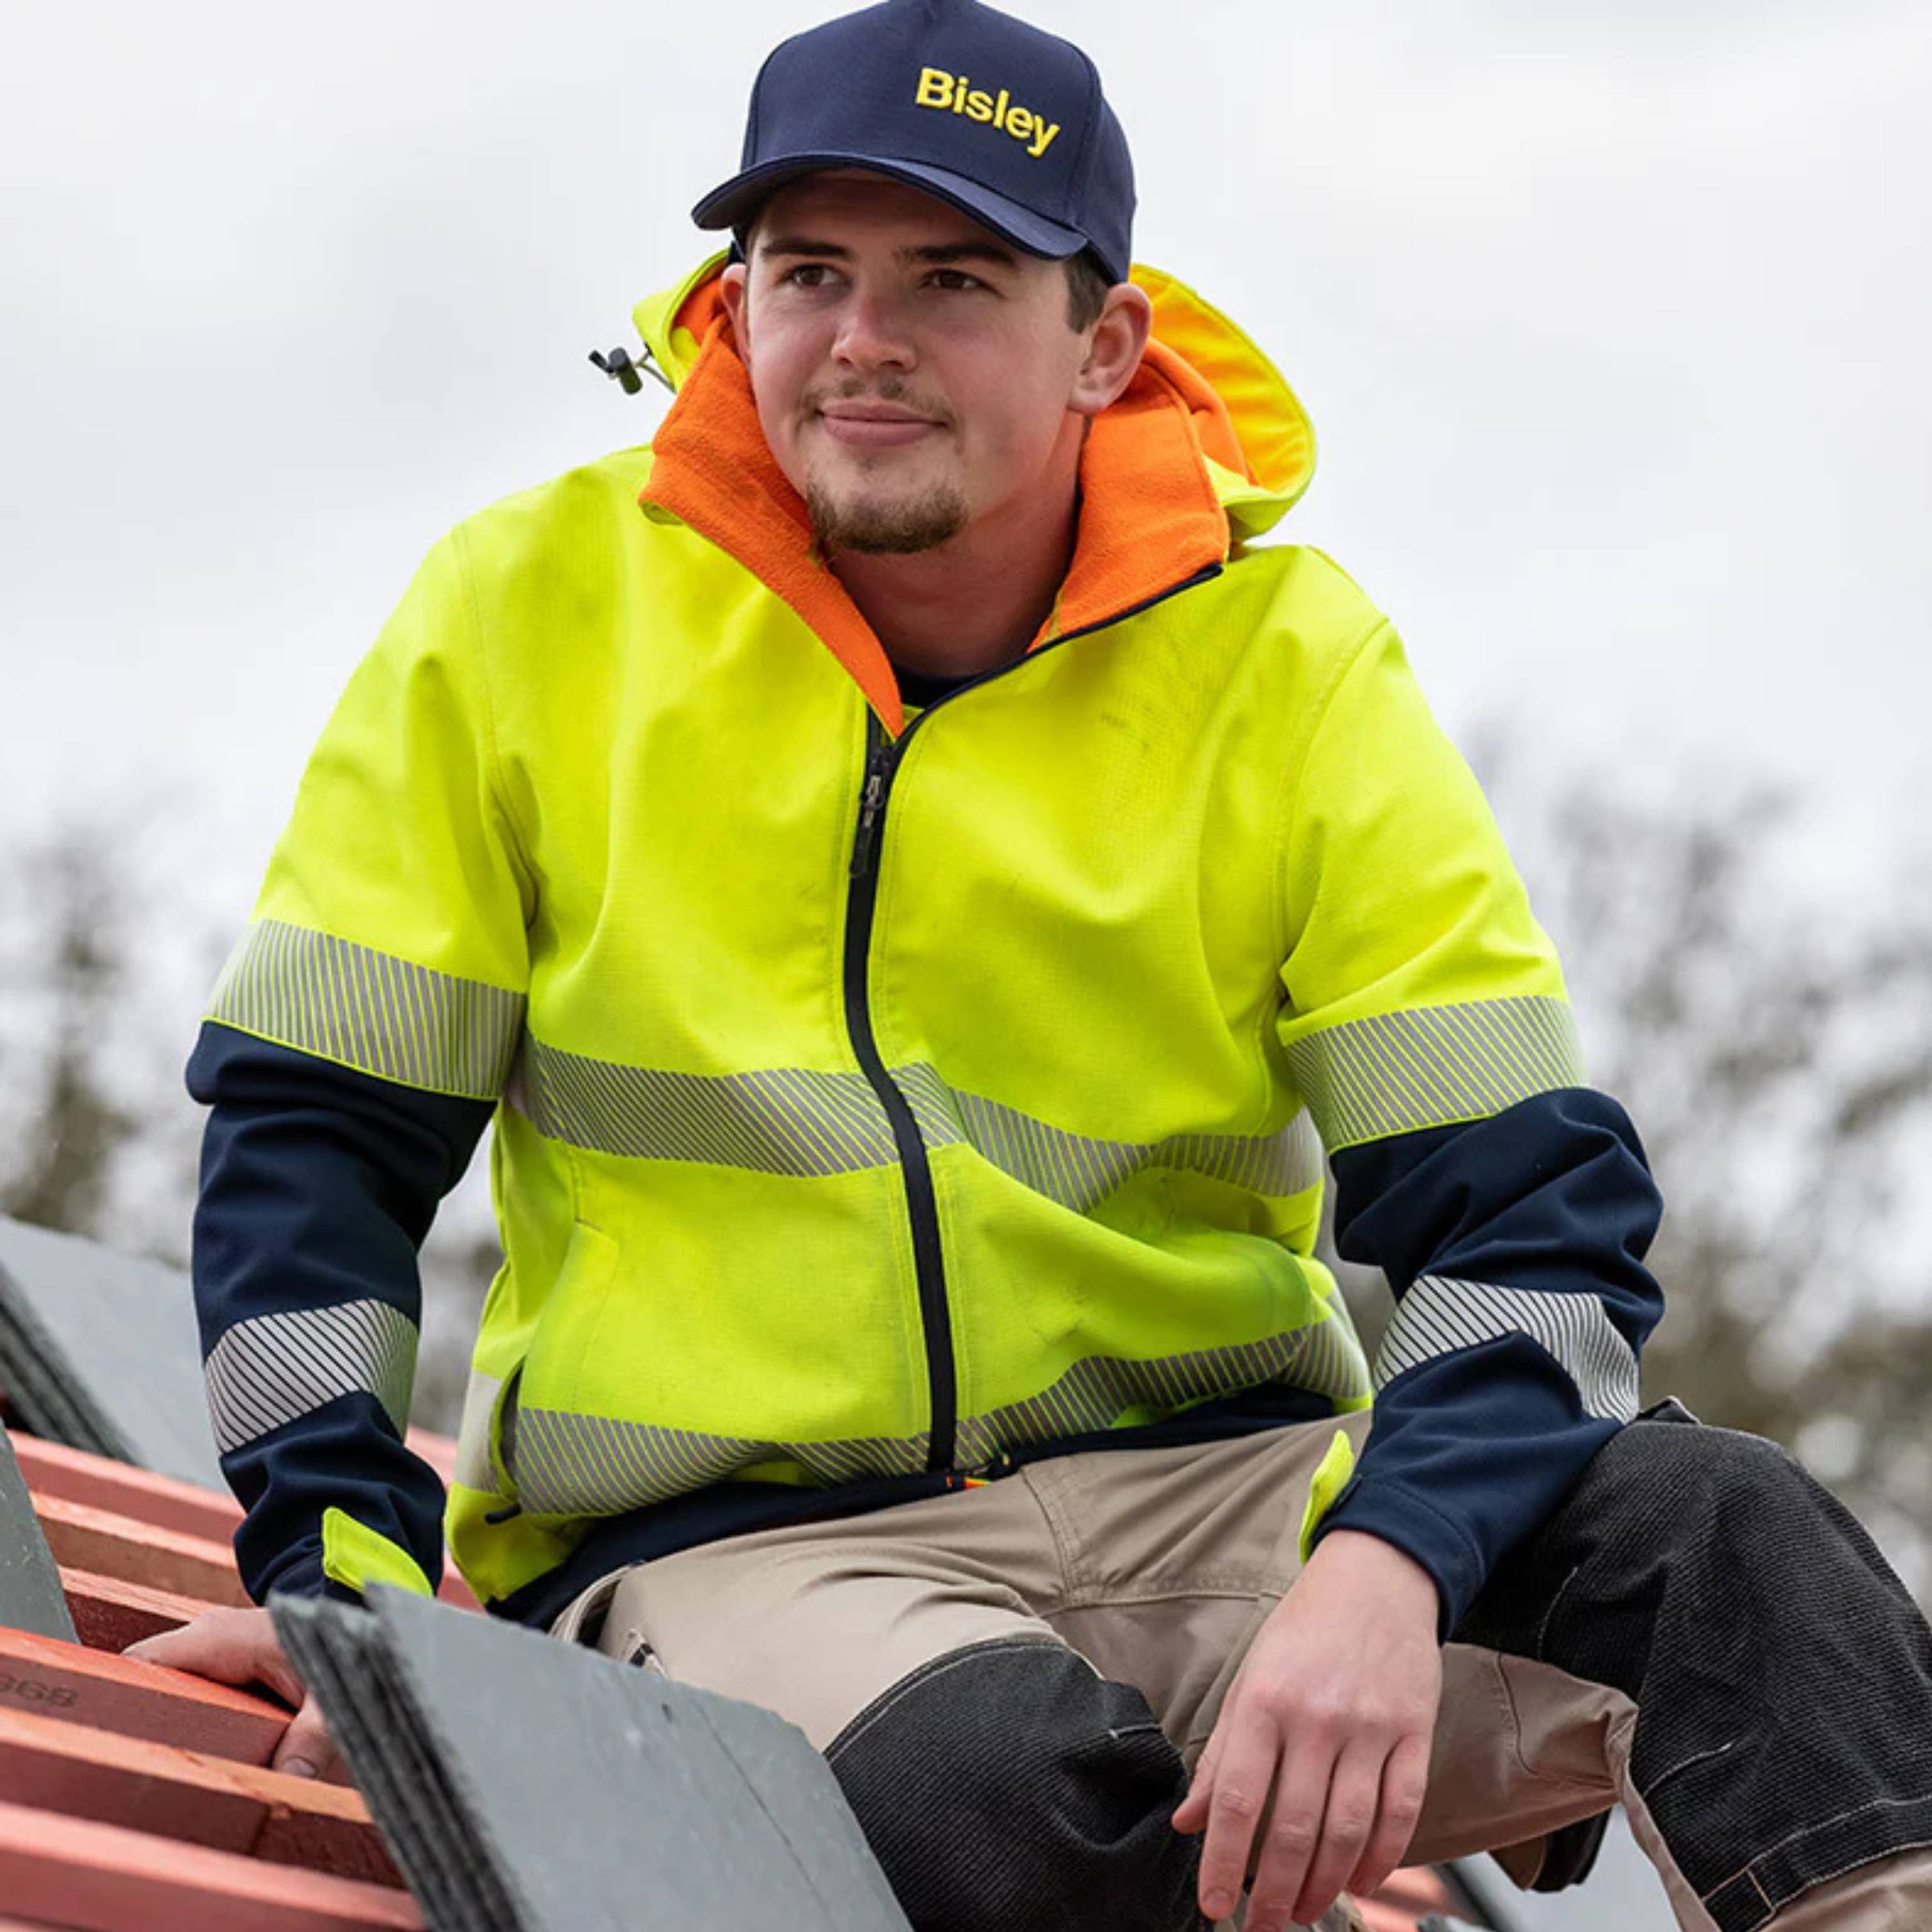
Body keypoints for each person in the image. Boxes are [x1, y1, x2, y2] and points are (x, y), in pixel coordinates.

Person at [130, 2, 1932, 1927]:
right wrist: (344, 1588)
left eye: (955, 278)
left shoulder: (1289, 663)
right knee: (1001, 1802)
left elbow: (1533, 1219)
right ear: (734, 300)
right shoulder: (522, 614)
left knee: (1740, 1549)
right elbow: (313, 1146)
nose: (863, 341)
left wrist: (1387, 1563)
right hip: (752, 1555)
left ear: (1107, 344)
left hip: (1233, 1508)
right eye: (805, 271)